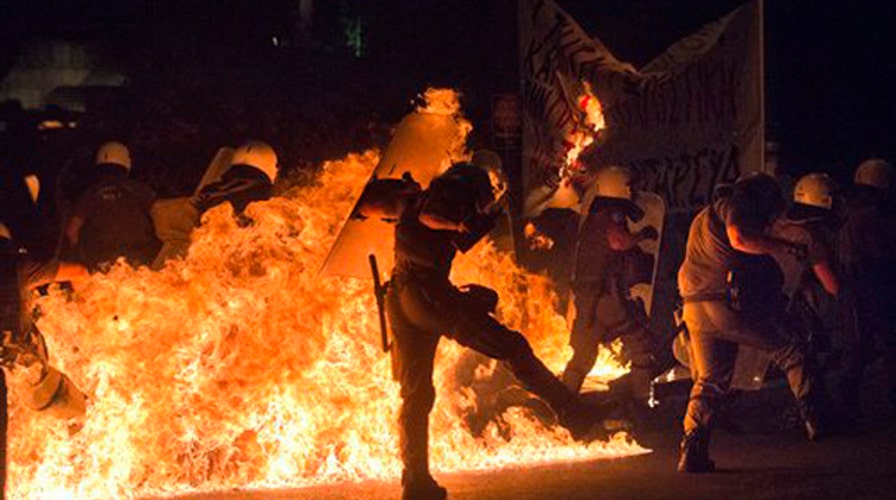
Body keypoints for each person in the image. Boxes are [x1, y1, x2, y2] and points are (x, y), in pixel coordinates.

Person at [357, 160, 604, 500]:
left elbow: (371, 204)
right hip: (428, 297)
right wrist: (457, 223)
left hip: (401, 299)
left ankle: (415, 482)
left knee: (416, 393)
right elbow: (431, 217)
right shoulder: (445, 199)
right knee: (512, 347)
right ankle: (572, 412)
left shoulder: (408, 201)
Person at [677, 172, 828, 473]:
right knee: (789, 350)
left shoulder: (702, 217)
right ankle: (818, 420)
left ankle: (692, 449)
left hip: (694, 307)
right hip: (723, 303)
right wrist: (782, 247)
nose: (768, 222)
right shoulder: (735, 205)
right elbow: (740, 237)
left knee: (710, 381)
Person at [2, 182, 88, 499]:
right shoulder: (20, 267)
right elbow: (79, 271)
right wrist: (90, 308)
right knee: (74, 411)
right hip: (19, 366)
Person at [563, 166, 658, 412]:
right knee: (641, 345)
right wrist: (643, 235)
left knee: (583, 356)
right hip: (606, 299)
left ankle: (561, 405)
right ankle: (641, 405)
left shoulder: (594, 216)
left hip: (587, 300)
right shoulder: (611, 215)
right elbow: (619, 241)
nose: (634, 191)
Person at [837, 158, 896, 415]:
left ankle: (848, 406)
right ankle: (847, 407)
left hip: (860, 289)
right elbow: (881, 252)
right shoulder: (869, 216)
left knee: (862, 350)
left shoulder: (850, 212)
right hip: (869, 287)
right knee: (867, 350)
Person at [773, 173, 841, 355]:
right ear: (824, 201)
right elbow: (828, 280)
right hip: (795, 303)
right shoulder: (812, 234)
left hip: (771, 298)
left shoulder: (779, 225)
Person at [65, 141, 160, 271]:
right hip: (139, 258)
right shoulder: (140, 189)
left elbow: (72, 231)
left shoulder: (90, 193)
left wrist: (78, 256)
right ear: (126, 162)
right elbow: (162, 219)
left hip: (101, 259)